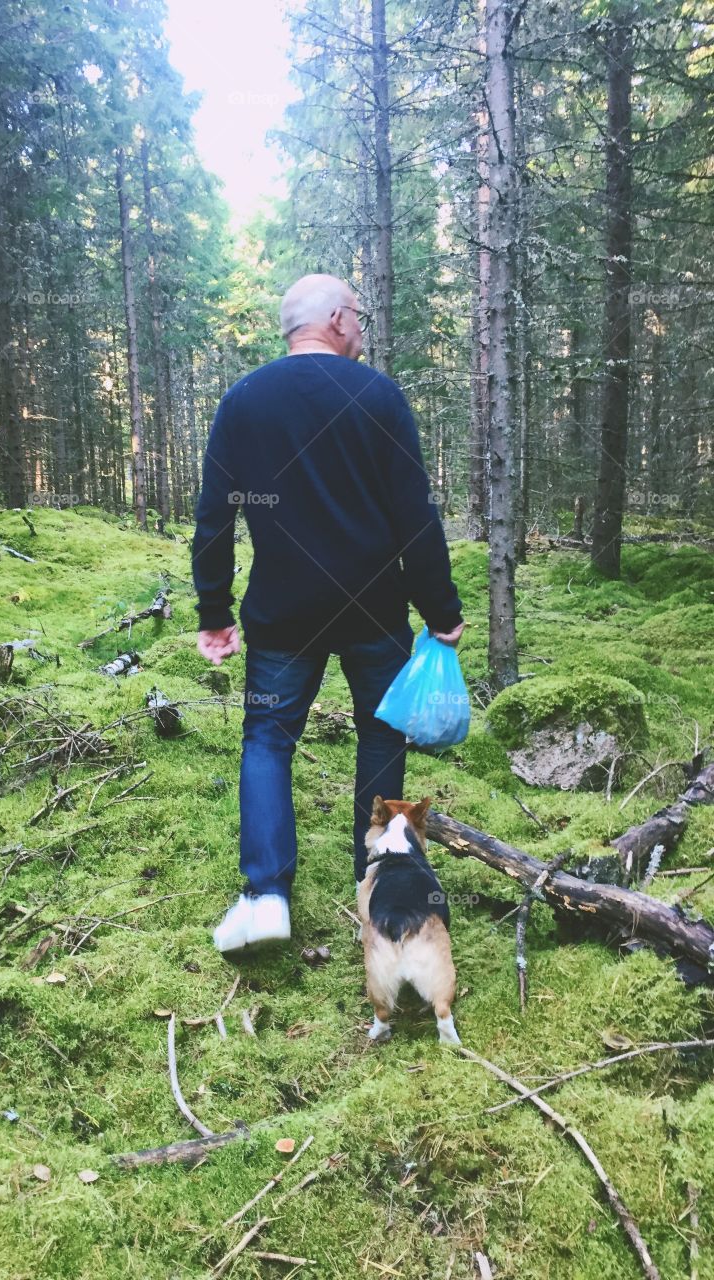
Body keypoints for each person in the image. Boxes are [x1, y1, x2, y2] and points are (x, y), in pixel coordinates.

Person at [192, 273, 465, 955]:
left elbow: (214, 519)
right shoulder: (378, 396)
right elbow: (415, 517)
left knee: (267, 739)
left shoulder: (243, 400)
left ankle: (265, 898)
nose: (363, 327)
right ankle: (376, 889)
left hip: (281, 615)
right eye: (360, 316)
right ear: (338, 319)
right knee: (381, 737)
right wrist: (441, 610)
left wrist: (215, 611)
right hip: (374, 612)